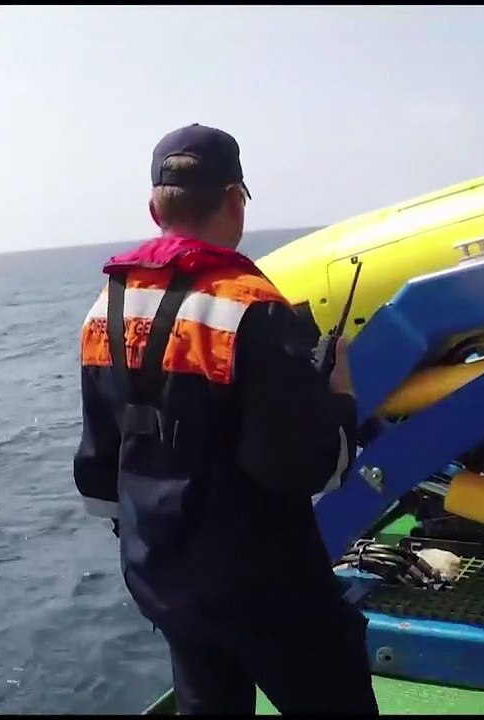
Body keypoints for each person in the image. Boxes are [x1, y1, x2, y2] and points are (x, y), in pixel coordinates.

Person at [72, 123, 379, 715]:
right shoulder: (251, 308)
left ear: (154, 207)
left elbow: (99, 467)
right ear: (235, 200)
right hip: (263, 586)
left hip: (162, 577)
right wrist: (339, 397)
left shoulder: (102, 310)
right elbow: (305, 465)